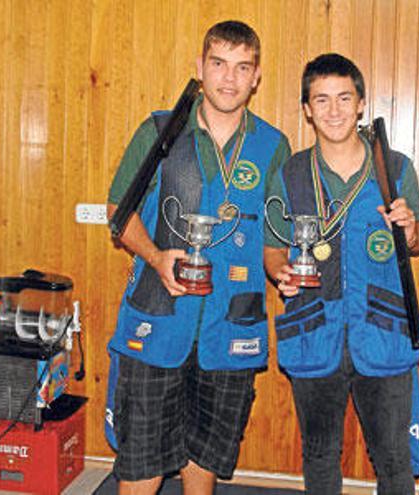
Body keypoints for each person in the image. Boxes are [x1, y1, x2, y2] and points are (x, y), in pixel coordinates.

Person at [105, 20, 290, 495]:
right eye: (219, 64)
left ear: (256, 77)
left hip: (232, 331)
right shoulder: (160, 130)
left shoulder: (273, 145)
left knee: (203, 464)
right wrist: (153, 255)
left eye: (241, 67)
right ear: (200, 68)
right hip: (158, 320)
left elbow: (274, 239)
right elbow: (116, 212)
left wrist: (284, 271)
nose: (229, 79)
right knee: (140, 464)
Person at [264, 53, 419, 495]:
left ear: (361, 103)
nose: (334, 110)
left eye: (344, 98)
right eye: (322, 100)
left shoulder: (393, 168)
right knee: (319, 455)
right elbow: (271, 248)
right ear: (307, 109)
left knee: (394, 459)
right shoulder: (291, 173)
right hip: (314, 332)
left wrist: (413, 230)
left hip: (382, 332)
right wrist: (280, 271)